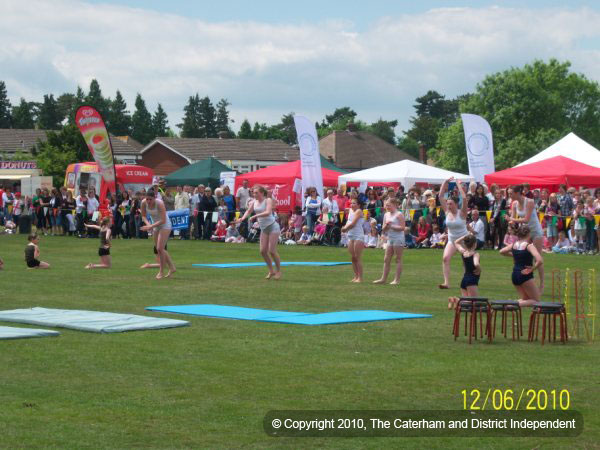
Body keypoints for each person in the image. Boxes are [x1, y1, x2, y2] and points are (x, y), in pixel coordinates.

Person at [237, 185, 282, 280]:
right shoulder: (254, 202)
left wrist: (255, 216)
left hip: (273, 227)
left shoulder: (268, 200)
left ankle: (278, 271)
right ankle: (271, 271)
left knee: (272, 251)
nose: (254, 194)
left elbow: (268, 212)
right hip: (264, 228)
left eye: (256, 193)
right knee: (262, 251)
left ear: (262, 193)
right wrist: (242, 218)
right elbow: (248, 211)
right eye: (253, 193)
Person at [510, 184, 545, 291]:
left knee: (537, 258)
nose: (510, 195)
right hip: (525, 232)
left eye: (511, 193)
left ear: (517, 193)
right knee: (522, 256)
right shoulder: (514, 203)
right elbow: (513, 219)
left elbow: (526, 219)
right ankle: (526, 279)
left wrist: (511, 219)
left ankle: (542, 284)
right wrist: (511, 223)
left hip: (535, 231)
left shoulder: (529, 202)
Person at [499, 225, 543, 307]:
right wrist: (532, 269)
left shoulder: (514, 244)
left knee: (526, 299)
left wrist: (514, 255)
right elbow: (540, 260)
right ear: (529, 234)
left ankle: (510, 304)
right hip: (525, 275)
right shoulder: (529, 246)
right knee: (536, 301)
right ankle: (510, 305)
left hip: (515, 274)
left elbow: (501, 251)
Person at [438, 177, 468, 289]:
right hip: (452, 240)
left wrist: (458, 184)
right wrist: (445, 182)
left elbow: (464, 198)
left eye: (451, 204)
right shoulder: (447, 212)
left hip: (464, 240)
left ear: (456, 204)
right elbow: (440, 196)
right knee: (445, 258)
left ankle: (466, 282)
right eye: (448, 204)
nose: (448, 206)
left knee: (466, 261)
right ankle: (446, 283)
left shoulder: (462, 213)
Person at [140, 189, 176, 279]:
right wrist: (149, 225)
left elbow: (163, 220)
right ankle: (172, 267)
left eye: (150, 199)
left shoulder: (159, 203)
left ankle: (161, 272)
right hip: (155, 225)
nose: (148, 201)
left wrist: (150, 226)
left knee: (160, 248)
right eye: (147, 199)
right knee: (159, 249)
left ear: (154, 198)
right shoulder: (143, 203)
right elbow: (143, 216)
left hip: (165, 225)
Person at [374, 198, 405, 285]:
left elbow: (402, 228)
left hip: (398, 238)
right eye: (386, 205)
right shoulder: (386, 215)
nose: (387, 207)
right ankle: (383, 279)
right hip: (390, 238)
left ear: (394, 205)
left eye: (388, 205)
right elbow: (383, 228)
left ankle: (396, 280)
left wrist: (392, 226)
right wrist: (386, 227)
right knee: (386, 259)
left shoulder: (399, 214)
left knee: (397, 259)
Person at [447, 234, 481, 309]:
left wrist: (465, 236)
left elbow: (456, 242)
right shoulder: (475, 254)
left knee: (466, 303)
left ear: (465, 244)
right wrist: (479, 269)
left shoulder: (463, 252)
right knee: (474, 303)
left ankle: (455, 300)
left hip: (464, 280)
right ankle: (457, 300)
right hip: (471, 280)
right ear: (475, 244)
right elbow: (476, 263)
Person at [342, 198, 365, 283]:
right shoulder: (350, 211)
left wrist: (345, 229)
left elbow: (353, 224)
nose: (352, 205)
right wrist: (344, 227)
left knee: (358, 257)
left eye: (354, 203)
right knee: (353, 258)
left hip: (358, 236)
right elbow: (348, 222)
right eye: (351, 203)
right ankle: (356, 276)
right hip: (351, 236)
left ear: (359, 205)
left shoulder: (359, 211)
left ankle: (360, 278)